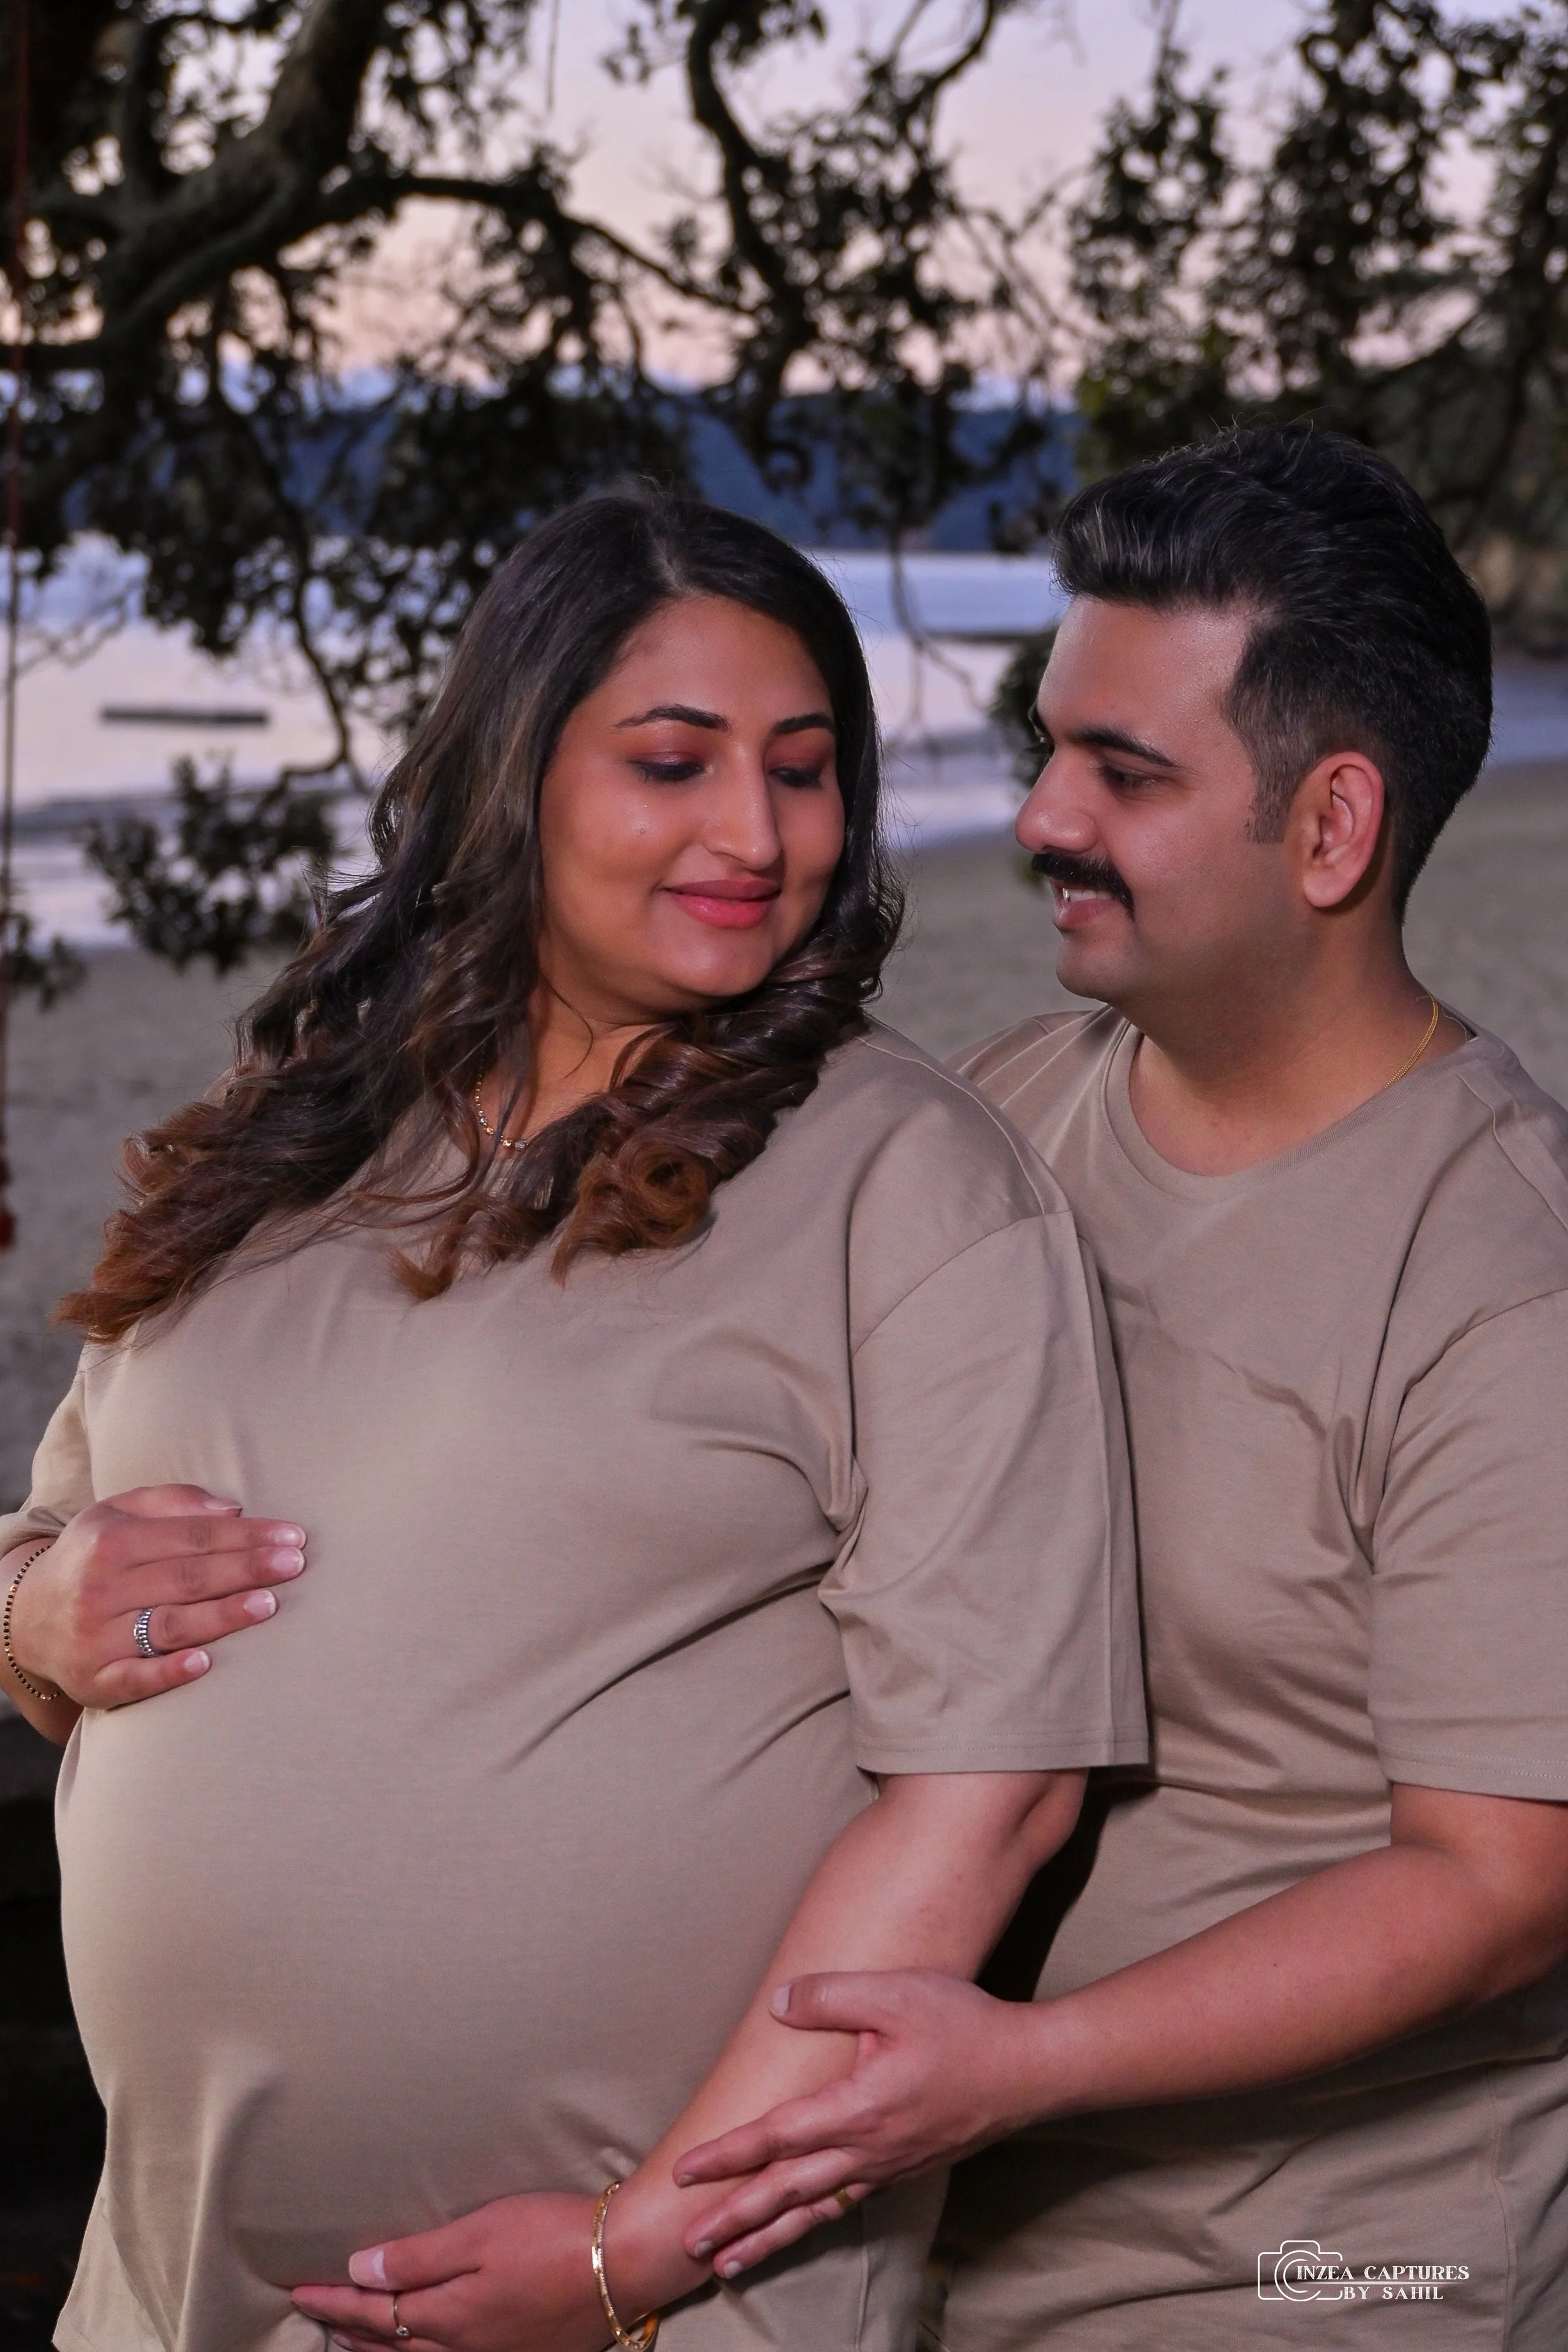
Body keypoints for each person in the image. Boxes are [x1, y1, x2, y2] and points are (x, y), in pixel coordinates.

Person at [0, 493, 1143, 2352]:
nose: (755, 833)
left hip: (654, 2302)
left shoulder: (905, 1183)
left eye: (802, 770)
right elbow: (55, 1530)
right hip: (169, 2284)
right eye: (673, 763)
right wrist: (33, 1611)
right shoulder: (290, 1127)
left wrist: (640, 2250)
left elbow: (992, 1796)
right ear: (510, 777)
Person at [670, 428, 1568, 2348]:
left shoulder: (1505, 1276)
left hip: (1334, 2267)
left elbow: (1502, 1883)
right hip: (935, 2218)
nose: (1035, 818)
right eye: (1043, 747)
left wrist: (1023, 2062)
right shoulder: (991, 1119)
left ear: (1329, 828)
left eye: (1121, 771)